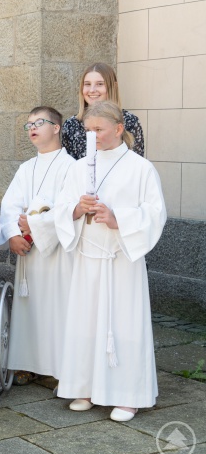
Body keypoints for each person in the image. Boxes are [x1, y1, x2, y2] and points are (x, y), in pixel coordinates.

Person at [55, 101, 165, 422]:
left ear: (119, 129)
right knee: (86, 323)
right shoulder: (79, 168)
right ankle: (86, 387)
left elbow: (154, 213)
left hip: (120, 260)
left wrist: (118, 218)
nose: (93, 136)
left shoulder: (140, 168)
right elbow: (62, 207)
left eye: (99, 130)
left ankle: (128, 395)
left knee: (124, 325)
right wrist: (77, 209)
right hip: (88, 257)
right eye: (89, 130)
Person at [0, 107, 75, 385]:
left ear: (56, 128)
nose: (32, 128)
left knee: (56, 306)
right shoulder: (26, 168)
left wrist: (37, 226)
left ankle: (58, 366)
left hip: (57, 254)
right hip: (29, 253)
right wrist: (12, 234)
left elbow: (69, 209)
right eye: (29, 124)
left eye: (39, 122)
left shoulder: (72, 167)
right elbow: (9, 204)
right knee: (29, 307)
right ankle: (27, 363)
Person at [61, 62, 145, 160]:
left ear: (113, 87)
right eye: (87, 84)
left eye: (100, 84)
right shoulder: (71, 125)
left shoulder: (129, 121)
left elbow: (136, 163)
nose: (92, 90)